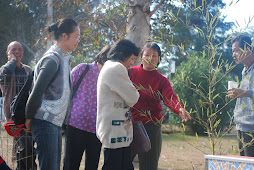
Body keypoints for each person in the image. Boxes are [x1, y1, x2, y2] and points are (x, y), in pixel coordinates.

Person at [24, 18, 80, 170]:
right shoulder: (52, 60)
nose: (78, 40)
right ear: (64, 36)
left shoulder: (63, 59)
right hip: (44, 120)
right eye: (76, 36)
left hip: (54, 122)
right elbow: (37, 91)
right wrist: (29, 117)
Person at [128, 42, 191, 170]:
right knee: (123, 163)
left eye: (154, 55)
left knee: (149, 165)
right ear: (141, 56)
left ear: (159, 59)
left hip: (151, 126)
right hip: (129, 124)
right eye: (147, 54)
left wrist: (179, 108)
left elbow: (170, 97)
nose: (150, 58)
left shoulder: (162, 80)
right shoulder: (129, 73)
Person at [63, 45, 111, 170]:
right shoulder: (83, 68)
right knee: (70, 165)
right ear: (102, 57)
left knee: (92, 166)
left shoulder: (111, 78)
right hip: (75, 126)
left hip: (97, 130)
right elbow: (66, 90)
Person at [96, 39, 140, 170]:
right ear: (124, 54)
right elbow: (133, 97)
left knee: (119, 164)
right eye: (132, 59)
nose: (132, 63)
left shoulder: (108, 66)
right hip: (116, 131)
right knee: (115, 165)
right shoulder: (117, 68)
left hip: (114, 129)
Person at [0, 41, 37, 170]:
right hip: (13, 116)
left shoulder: (28, 70)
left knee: (25, 146)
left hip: (28, 114)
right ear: (7, 53)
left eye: (19, 49)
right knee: (25, 146)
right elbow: (3, 77)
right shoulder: (5, 69)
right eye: (13, 49)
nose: (17, 52)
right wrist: (12, 62)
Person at [228, 34, 254, 157]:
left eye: (236, 50)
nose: (233, 54)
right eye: (232, 51)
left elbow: (248, 93)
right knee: (243, 164)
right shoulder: (245, 70)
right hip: (242, 126)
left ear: (248, 49)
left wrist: (245, 93)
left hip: (252, 130)